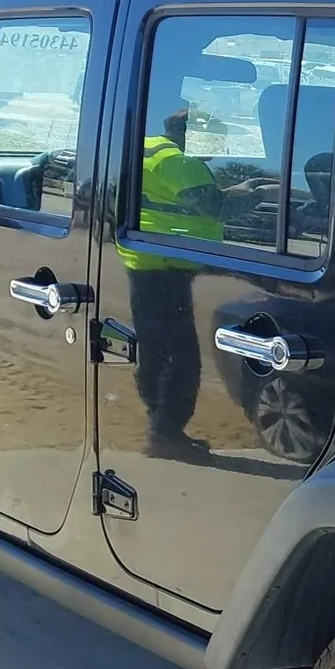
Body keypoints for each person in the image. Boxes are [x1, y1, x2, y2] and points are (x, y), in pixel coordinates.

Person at [121, 109, 222, 457]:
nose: (220, 145)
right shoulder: (180, 162)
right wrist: (256, 193)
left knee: (155, 350)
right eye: (216, 136)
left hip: (144, 262)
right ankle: (165, 433)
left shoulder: (149, 149)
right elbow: (215, 208)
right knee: (181, 358)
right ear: (193, 134)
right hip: (169, 267)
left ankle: (159, 424)